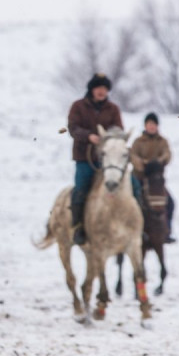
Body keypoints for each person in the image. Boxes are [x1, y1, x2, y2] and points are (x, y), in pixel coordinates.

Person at [67, 73, 124, 245]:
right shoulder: (78, 106)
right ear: (92, 89)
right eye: (98, 88)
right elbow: (73, 128)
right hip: (84, 158)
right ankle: (78, 227)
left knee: (130, 186)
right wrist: (89, 136)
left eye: (105, 89)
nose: (101, 91)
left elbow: (119, 130)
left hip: (109, 160)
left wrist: (109, 139)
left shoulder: (113, 109)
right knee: (81, 189)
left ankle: (134, 225)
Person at [130, 112, 176, 243]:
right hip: (139, 179)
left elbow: (167, 155)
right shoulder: (138, 142)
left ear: (157, 126)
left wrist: (157, 163)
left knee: (170, 203)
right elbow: (133, 157)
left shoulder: (162, 141)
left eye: (154, 124)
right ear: (145, 125)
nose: (151, 127)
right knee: (134, 202)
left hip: (156, 182)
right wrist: (143, 165)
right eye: (149, 124)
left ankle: (166, 231)